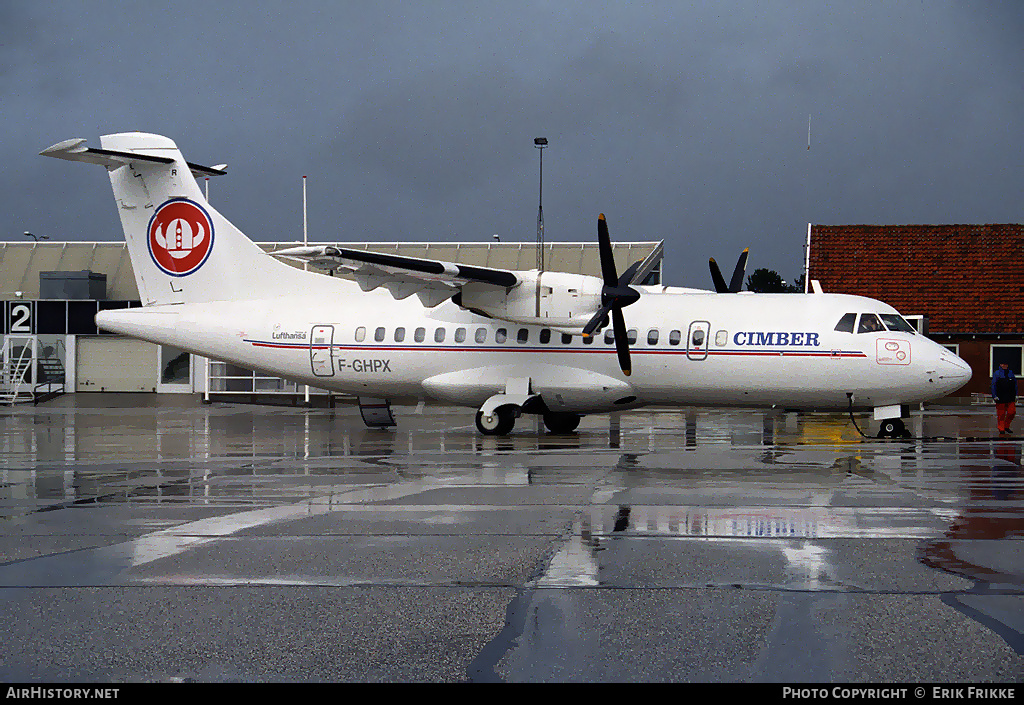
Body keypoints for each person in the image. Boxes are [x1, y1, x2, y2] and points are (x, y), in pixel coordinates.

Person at [991, 362, 1018, 435]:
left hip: (1010, 397)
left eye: (1006, 364)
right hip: (1000, 397)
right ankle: (1001, 428)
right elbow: (993, 385)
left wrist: (1016, 394)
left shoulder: (1011, 373)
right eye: (1003, 364)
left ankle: (1006, 426)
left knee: (1012, 412)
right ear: (1000, 365)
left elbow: (1015, 384)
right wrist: (994, 395)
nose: (1004, 365)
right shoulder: (997, 373)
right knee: (1001, 414)